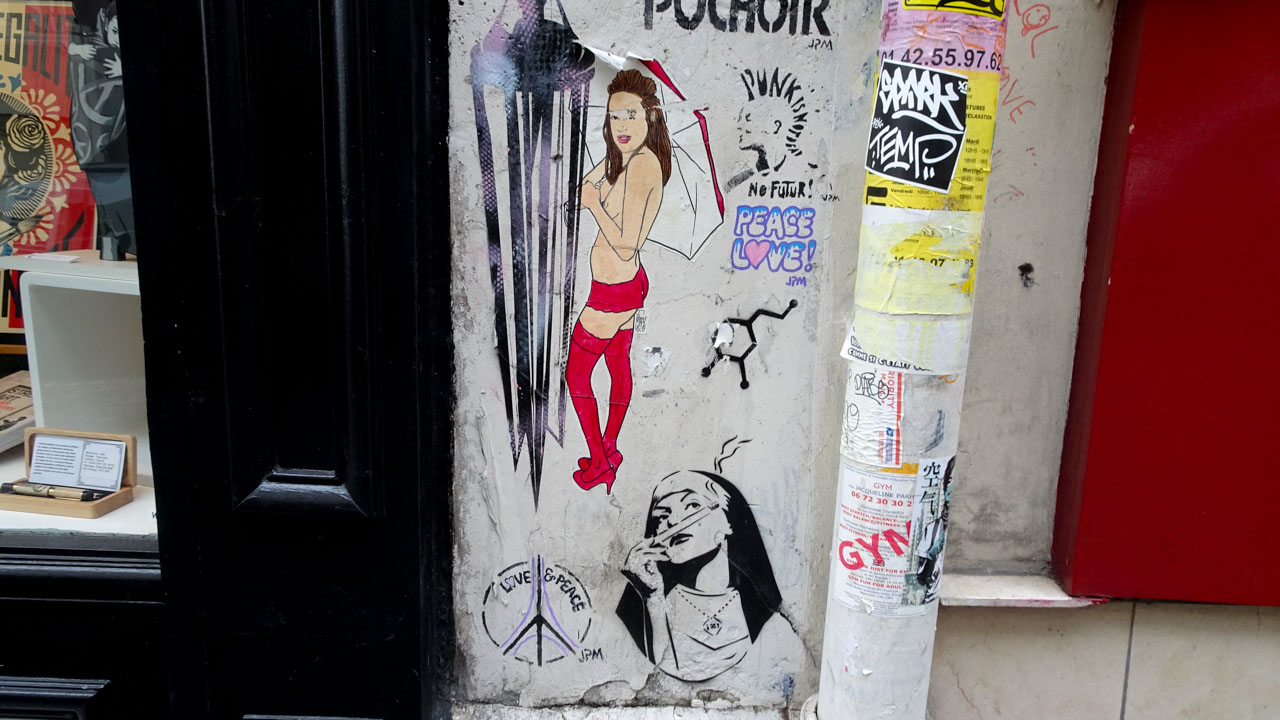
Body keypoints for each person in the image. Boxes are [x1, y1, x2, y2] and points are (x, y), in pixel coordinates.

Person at [565, 69, 671, 493]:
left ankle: (600, 461)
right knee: (617, 364)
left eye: (630, 115)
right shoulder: (628, 158)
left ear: (650, 117)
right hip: (625, 286)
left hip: (614, 292)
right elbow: (582, 190)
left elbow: (627, 244)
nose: (621, 125)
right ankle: (609, 448)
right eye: (614, 117)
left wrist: (594, 204)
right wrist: (603, 172)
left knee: (577, 375)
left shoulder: (643, 167)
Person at [616, 470, 784, 682]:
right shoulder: (655, 601)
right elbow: (649, 666)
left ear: (728, 522)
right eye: (663, 516)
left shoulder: (768, 620)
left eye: (693, 505)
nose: (673, 521)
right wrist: (652, 598)